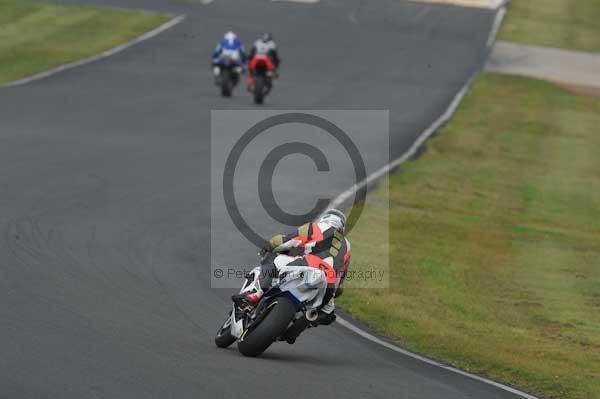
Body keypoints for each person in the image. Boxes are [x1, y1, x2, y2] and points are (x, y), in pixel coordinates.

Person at [234, 209, 351, 337]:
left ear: (325, 218)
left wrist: (269, 246)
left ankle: (253, 297)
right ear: (342, 227)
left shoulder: (316, 227)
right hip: (328, 284)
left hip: (309, 265)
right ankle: (296, 330)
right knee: (327, 314)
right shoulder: (347, 246)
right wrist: (335, 292)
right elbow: (341, 278)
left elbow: (287, 240)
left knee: (274, 260)